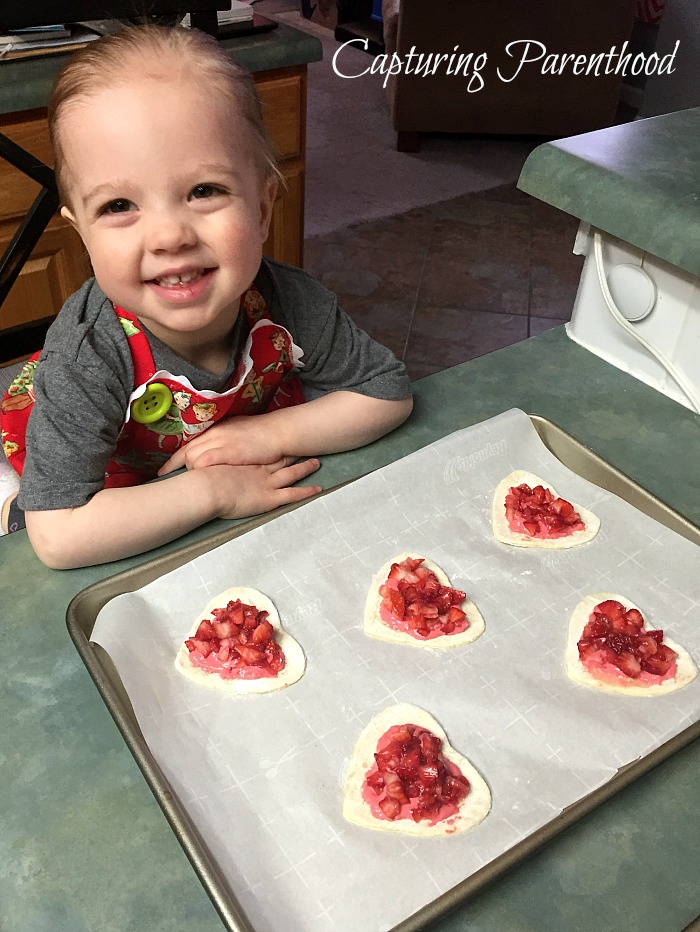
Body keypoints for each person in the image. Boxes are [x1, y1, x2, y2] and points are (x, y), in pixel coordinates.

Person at [0, 25, 412, 568]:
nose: (170, 236)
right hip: (106, 470)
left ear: (263, 209)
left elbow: (388, 393)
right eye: (119, 205)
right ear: (82, 233)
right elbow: (59, 537)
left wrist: (267, 433)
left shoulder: (292, 301)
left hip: (219, 439)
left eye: (204, 191)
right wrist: (216, 493)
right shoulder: (86, 354)